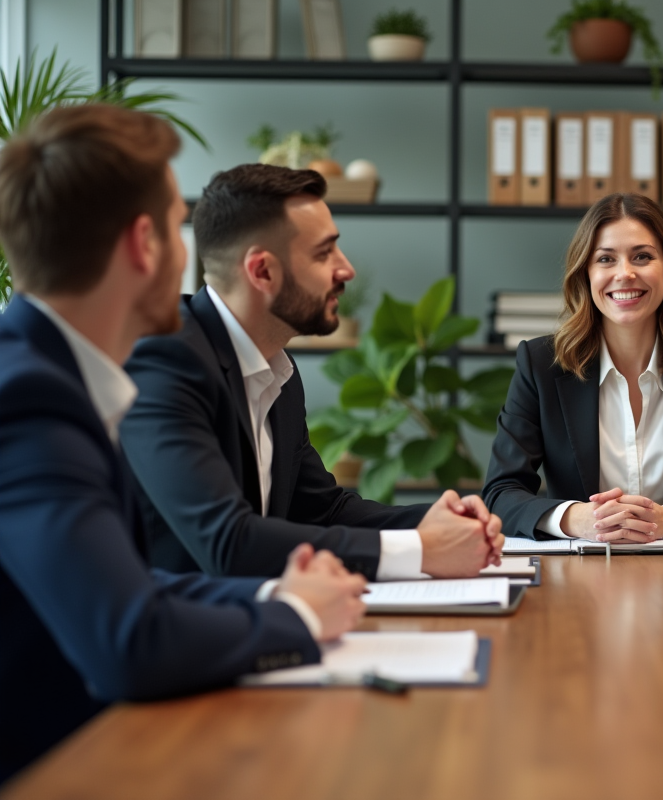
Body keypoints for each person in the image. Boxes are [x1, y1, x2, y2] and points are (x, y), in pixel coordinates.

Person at [0, 104, 369, 783]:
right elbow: (128, 641)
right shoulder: (30, 400)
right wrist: (292, 617)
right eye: (177, 226)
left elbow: (133, 586)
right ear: (144, 245)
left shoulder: (46, 373)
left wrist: (273, 598)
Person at [120, 164, 503, 581]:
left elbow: (323, 511)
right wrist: (422, 550)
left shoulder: (277, 372)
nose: (346, 270)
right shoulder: (164, 357)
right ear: (262, 271)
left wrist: (436, 521)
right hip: (175, 637)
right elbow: (227, 543)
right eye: (324, 253)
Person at [483, 193, 663, 542]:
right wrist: (576, 518)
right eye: (606, 259)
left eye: (643, 256)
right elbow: (501, 493)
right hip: (578, 573)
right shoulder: (541, 364)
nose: (626, 273)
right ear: (586, 274)